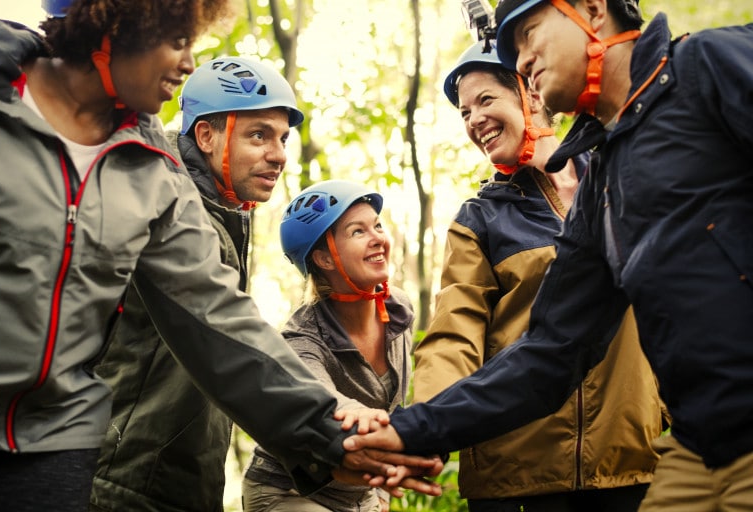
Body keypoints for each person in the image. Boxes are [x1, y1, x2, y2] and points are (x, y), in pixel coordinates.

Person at [0, 1, 440, 510]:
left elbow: (216, 317)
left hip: (61, 446)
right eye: (177, 39)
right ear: (119, 21)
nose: (187, 64)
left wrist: (327, 432)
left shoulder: (153, 171)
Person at [343, 0, 753, 510]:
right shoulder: (599, 189)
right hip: (690, 445)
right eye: (464, 111)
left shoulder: (707, 65)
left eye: (530, 34)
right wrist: (415, 429)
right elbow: (552, 347)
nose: (522, 60)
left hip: (659, 454)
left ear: (593, 9)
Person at [411, 40, 664, 511]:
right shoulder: (479, 220)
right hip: (515, 478)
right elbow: (454, 334)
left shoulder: (616, 180)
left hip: (628, 465)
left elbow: (670, 300)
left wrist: (662, 408)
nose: (474, 120)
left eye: (485, 100)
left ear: (529, 91)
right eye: (464, 112)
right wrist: (426, 427)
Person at [89, 55, 303, 512]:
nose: (279, 154)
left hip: (176, 483)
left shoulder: (222, 212)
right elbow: (230, 341)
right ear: (205, 135)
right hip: (124, 483)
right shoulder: (166, 207)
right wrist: (327, 432)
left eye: (283, 138)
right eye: (259, 135)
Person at [242, 180, 414, 512]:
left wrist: (381, 493)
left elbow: (395, 406)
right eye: (358, 231)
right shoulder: (302, 338)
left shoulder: (398, 310)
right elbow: (318, 399)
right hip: (290, 493)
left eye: (377, 225)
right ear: (324, 258)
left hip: (358, 494)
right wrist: (355, 412)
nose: (378, 238)